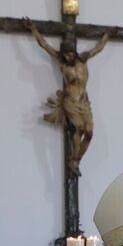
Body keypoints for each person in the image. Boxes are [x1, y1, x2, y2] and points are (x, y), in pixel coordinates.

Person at [23, 17, 109, 176]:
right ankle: (74, 162)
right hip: (70, 101)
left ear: (74, 52)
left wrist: (107, 35)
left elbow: (98, 48)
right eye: (65, 54)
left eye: (70, 53)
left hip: (84, 102)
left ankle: (76, 160)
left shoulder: (83, 58)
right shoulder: (61, 61)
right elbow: (44, 45)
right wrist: (33, 29)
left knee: (89, 133)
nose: (68, 57)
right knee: (79, 128)